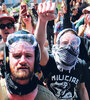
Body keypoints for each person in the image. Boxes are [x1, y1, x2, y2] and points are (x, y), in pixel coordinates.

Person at [35, 1, 89, 100]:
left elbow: (82, 89)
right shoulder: (50, 61)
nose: (69, 46)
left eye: (73, 43)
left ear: (78, 45)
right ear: (58, 44)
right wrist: (42, 21)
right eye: (65, 43)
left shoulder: (81, 64)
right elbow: (39, 46)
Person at [0, 30, 57, 100]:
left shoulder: (48, 97)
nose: (23, 61)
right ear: (7, 60)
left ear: (36, 60)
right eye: (17, 56)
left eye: (28, 56)